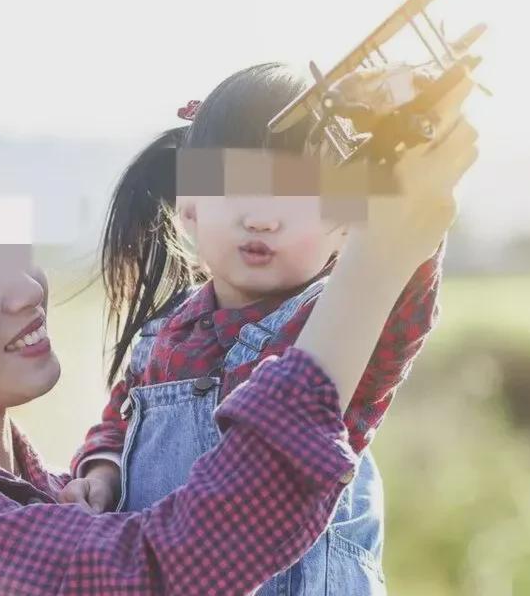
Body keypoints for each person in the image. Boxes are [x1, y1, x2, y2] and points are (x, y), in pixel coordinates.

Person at [0, 75, 477, 594]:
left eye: (12, 252)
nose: (25, 290)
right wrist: (377, 261)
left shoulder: (62, 500)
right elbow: (151, 579)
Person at [60, 62, 446, 593]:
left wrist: (409, 168)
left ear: (352, 223)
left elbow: (401, 278)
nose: (261, 218)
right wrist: (102, 472)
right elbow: (119, 423)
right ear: (189, 206)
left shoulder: (337, 324)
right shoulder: (163, 337)